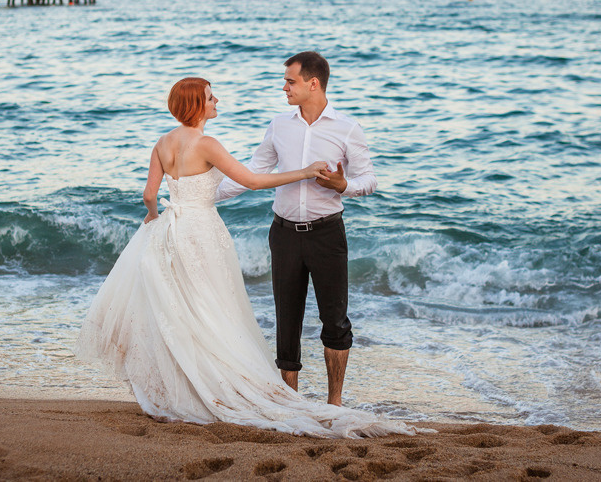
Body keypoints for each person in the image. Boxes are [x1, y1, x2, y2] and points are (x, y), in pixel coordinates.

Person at [75, 77, 425, 438]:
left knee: (181, 311)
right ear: (197, 105)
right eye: (210, 97)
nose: (216, 101)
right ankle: (216, 387)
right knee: (212, 310)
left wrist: (153, 217)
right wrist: (304, 172)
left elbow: (150, 195)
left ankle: (184, 387)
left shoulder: (162, 143)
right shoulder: (207, 143)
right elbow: (253, 181)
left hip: (171, 230)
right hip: (202, 233)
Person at [216, 51, 373, 407]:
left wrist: (342, 185)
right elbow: (253, 173)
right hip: (283, 234)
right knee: (287, 321)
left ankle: (335, 404)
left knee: (335, 320)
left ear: (312, 84)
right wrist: (204, 196)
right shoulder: (279, 125)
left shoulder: (347, 128)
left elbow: (369, 179)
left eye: (290, 81)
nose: (283, 87)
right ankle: (291, 404)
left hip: (327, 234)